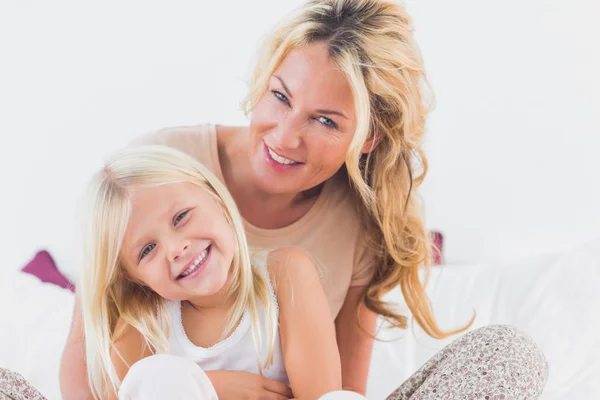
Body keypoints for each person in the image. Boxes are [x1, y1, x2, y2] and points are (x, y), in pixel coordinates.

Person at [61, 1, 548, 398]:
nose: (285, 137)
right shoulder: (154, 172)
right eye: (280, 95)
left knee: (508, 354)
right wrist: (208, 386)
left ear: (370, 137)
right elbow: (99, 381)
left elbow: (339, 393)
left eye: (326, 120)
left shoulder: (349, 232)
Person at [79, 144, 343, 400]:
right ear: (134, 277)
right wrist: (206, 387)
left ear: (215, 198)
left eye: (181, 217)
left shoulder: (283, 274)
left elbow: (323, 398)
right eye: (148, 249)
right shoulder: (144, 323)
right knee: (150, 376)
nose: (175, 248)